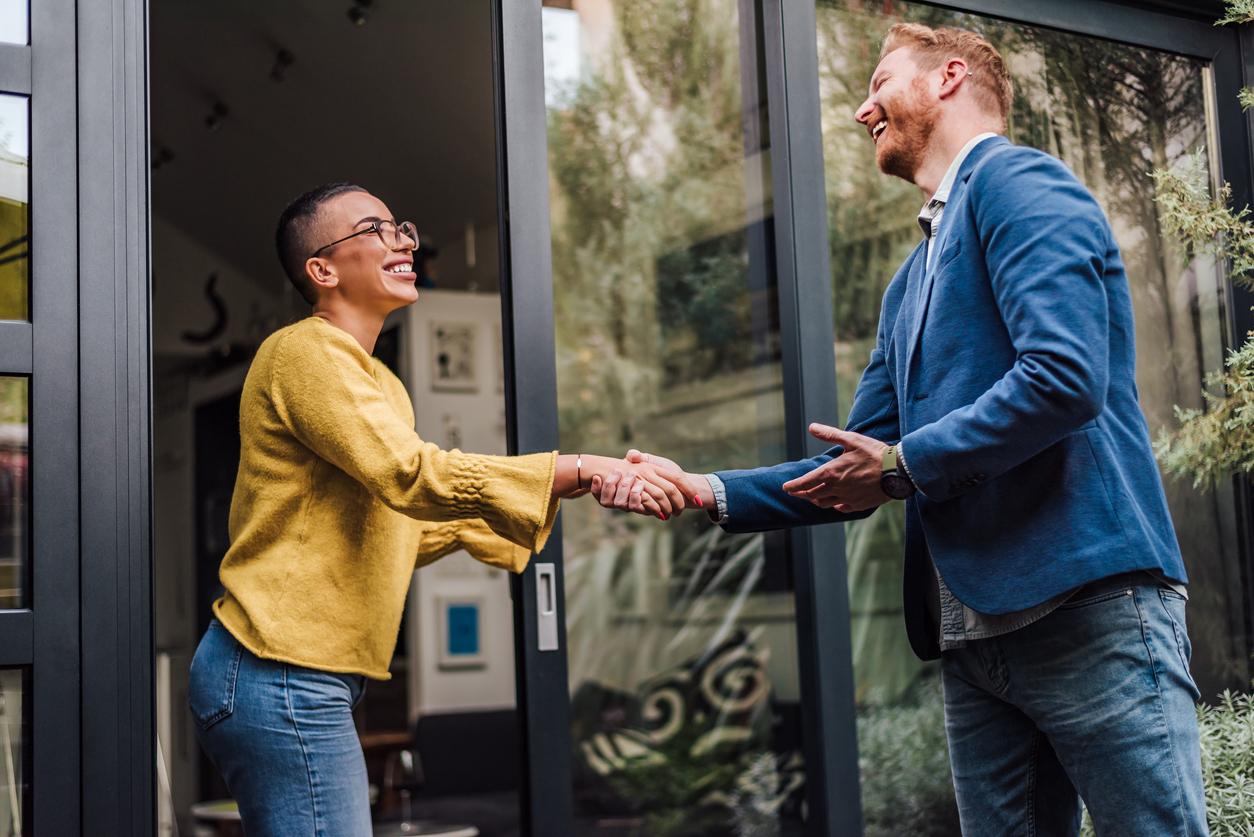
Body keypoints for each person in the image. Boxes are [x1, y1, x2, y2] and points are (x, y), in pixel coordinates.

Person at [601, 23, 1207, 837]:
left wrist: (899, 465)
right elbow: (856, 467)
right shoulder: (906, 285)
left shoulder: (1019, 182)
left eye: (881, 80)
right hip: (973, 644)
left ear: (950, 77)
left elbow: (1064, 378)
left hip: (1084, 612)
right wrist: (705, 489)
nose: (861, 108)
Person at [187, 182, 703, 837]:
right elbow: (411, 474)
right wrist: (572, 469)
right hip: (275, 670)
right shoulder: (302, 352)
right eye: (374, 229)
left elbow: (391, 521)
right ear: (321, 269)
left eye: (400, 225)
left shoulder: (382, 382)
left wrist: (567, 502)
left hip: (301, 676)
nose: (404, 239)